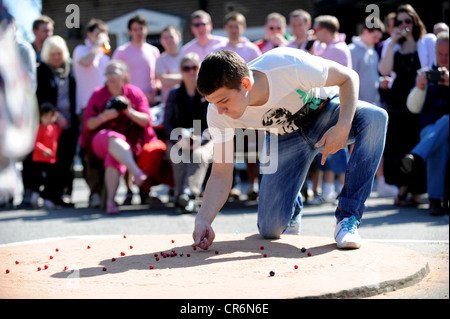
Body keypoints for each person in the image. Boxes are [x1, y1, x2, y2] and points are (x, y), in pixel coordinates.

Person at [193, 48, 388, 250]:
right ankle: (293, 209)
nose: (220, 110)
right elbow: (221, 173)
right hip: (283, 136)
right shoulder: (217, 113)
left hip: (325, 114)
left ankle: (348, 219)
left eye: (224, 101)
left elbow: (349, 77)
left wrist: (343, 125)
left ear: (246, 84)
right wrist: (203, 220)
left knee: (376, 118)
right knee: (270, 229)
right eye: (213, 103)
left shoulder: (288, 64)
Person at [379, 4, 436, 207]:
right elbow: (384, 69)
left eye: (407, 21)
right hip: (397, 102)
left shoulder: (427, 41)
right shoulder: (391, 44)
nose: (403, 25)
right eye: (399, 22)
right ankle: (402, 189)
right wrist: (393, 39)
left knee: (415, 144)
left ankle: (417, 191)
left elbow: (435, 66)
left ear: (415, 22)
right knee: (398, 146)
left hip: (419, 100)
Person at [80, 60, 155, 214]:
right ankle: (136, 172)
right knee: (111, 138)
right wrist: (104, 116)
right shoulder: (98, 94)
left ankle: (110, 202)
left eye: (115, 72)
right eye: (108, 73)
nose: (111, 76)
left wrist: (129, 111)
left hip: (126, 144)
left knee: (113, 157)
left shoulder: (134, 93)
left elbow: (147, 121)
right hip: (100, 140)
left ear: (124, 75)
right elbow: (88, 124)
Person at [24, 35, 79, 208]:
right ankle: (50, 194)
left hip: (70, 122)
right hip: (51, 125)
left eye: (59, 53)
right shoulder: (42, 72)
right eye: (53, 54)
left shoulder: (69, 69)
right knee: (53, 160)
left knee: (67, 160)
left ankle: (65, 194)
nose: (56, 57)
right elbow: (39, 98)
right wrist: (54, 115)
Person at [213, 11, 262, 200]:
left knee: (250, 146)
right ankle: (231, 186)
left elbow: (257, 74)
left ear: (243, 28)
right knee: (228, 144)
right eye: (231, 26)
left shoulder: (251, 49)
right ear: (226, 28)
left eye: (237, 26)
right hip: (226, 103)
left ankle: (253, 184)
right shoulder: (219, 50)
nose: (234, 30)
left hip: (247, 103)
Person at [349, 18, 398, 198]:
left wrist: (381, 82)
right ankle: (351, 185)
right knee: (355, 146)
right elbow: (349, 79)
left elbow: (371, 78)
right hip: (358, 108)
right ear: (366, 32)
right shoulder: (352, 50)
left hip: (374, 105)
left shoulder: (372, 51)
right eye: (376, 36)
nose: (378, 40)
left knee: (377, 145)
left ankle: (381, 183)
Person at [403, 31, 449, 216]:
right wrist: (419, 88)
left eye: (448, 54)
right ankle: (435, 200)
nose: (443, 58)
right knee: (441, 143)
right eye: (440, 54)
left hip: (437, 128)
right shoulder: (426, 74)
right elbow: (413, 107)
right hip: (430, 129)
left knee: (447, 120)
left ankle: (416, 155)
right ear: (435, 52)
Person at [309, 15, 351, 205]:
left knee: (338, 147)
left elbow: (319, 72)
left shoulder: (338, 49)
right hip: (326, 103)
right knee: (325, 145)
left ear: (325, 30)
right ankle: (328, 191)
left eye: (316, 30)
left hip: (337, 103)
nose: (314, 33)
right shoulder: (326, 48)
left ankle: (343, 190)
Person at [164, 53, 213, 213]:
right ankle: (182, 196)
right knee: (177, 153)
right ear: (181, 71)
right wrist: (178, 139)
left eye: (195, 67)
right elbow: (168, 122)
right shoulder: (174, 93)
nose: (191, 71)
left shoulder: (209, 93)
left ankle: (188, 194)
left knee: (198, 155)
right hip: (179, 138)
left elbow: (215, 124)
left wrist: (201, 140)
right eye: (187, 68)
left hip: (206, 139)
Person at [113, 15, 160, 105]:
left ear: (147, 30)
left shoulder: (154, 51)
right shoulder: (121, 52)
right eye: (135, 29)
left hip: (150, 101)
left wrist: (155, 89)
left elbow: (157, 76)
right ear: (130, 32)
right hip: (129, 103)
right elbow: (115, 78)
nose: (139, 32)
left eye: (141, 28)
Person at [28, 103, 67, 207]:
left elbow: (63, 124)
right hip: (39, 159)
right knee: (38, 180)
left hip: (51, 159)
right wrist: (43, 150)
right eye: (46, 117)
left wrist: (57, 115)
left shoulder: (54, 127)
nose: (48, 119)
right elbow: (35, 142)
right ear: (40, 117)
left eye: (51, 117)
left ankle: (48, 199)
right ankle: (35, 197)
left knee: (50, 181)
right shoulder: (39, 128)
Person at [73, 18, 110, 120]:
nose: (101, 37)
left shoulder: (104, 56)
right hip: (87, 104)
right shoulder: (80, 50)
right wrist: (98, 43)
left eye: (103, 34)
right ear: (89, 35)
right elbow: (86, 61)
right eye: (98, 34)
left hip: (104, 104)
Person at [156, 25, 183, 105]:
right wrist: (187, 77)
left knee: (196, 118)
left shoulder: (188, 56)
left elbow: (196, 77)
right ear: (161, 41)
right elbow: (165, 80)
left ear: (179, 37)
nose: (168, 40)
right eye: (165, 38)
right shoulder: (160, 60)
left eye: (171, 37)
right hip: (169, 104)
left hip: (188, 103)